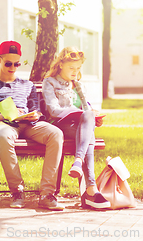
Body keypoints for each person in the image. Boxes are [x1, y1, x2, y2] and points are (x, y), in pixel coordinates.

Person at [0, 41, 64, 210]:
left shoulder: (28, 85)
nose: (13, 67)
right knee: (4, 136)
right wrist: (4, 115)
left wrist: (34, 114)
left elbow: (37, 111)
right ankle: (17, 191)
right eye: (8, 63)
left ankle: (47, 193)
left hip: (29, 124)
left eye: (16, 63)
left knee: (55, 133)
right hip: (4, 124)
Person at [42, 46, 111, 210]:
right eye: (71, 68)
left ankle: (79, 166)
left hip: (80, 128)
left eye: (78, 68)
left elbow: (87, 109)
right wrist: (82, 114)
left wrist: (94, 117)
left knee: (89, 121)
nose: (75, 71)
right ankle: (91, 191)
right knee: (89, 134)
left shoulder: (79, 85)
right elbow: (53, 110)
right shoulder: (50, 82)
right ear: (60, 65)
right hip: (60, 125)